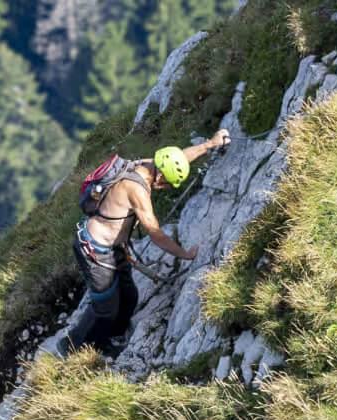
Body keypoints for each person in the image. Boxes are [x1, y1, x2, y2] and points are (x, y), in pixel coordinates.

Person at [65, 129, 233, 353]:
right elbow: (156, 233)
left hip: (115, 247)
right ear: (161, 177)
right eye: (167, 185)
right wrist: (185, 254)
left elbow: (178, 158)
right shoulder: (136, 190)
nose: (164, 189)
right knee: (106, 307)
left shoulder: (149, 164)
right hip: (95, 249)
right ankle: (73, 346)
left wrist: (209, 144)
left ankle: (114, 336)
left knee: (129, 297)